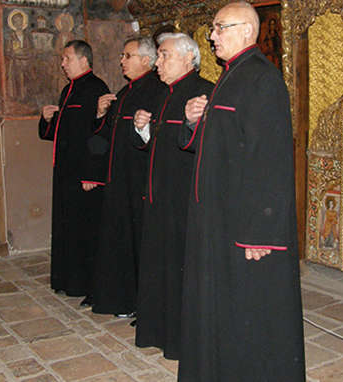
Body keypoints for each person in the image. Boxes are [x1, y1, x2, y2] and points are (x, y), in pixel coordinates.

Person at [179, 2, 305, 381]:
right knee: (226, 311)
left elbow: (270, 159)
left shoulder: (262, 80)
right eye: (213, 28)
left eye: (220, 27)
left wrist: (260, 232)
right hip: (218, 217)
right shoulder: (230, 76)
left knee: (251, 313)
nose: (212, 35)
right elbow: (219, 144)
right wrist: (190, 121)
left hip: (245, 225)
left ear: (247, 31)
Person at [132, 33, 213, 360]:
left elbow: (205, 147)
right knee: (159, 269)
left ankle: (181, 337)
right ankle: (158, 330)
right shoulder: (164, 95)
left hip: (184, 202)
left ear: (187, 58)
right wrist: (142, 129)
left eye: (164, 55)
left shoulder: (203, 92)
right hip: (158, 199)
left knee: (179, 272)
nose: (158, 62)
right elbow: (158, 147)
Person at [91, 37, 166, 317]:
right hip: (118, 182)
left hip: (139, 183)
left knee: (140, 246)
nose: (121, 60)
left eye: (127, 55)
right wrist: (100, 115)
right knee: (119, 243)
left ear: (146, 60)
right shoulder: (123, 93)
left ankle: (139, 304)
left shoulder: (158, 92)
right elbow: (106, 138)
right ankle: (121, 300)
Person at [38, 40, 110, 306]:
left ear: (83, 60)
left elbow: (99, 133)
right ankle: (67, 280)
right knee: (68, 227)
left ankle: (87, 284)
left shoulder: (97, 88)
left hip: (84, 176)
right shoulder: (67, 90)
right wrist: (47, 120)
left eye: (67, 58)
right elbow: (64, 131)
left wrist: (93, 174)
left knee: (86, 231)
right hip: (65, 173)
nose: (62, 63)